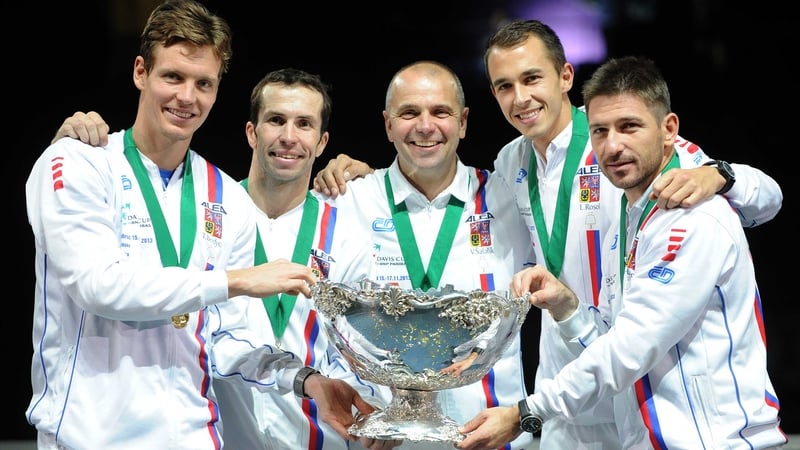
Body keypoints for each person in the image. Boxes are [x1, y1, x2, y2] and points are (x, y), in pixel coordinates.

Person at [314, 19, 783, 449]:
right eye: (504, 85)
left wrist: (724, 175)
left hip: (646, 381)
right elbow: (427, 196)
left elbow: (769, 199)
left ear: (564, 77)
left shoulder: (615, 139)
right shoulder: (510, 163)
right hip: (565, 386)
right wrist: (366, 178)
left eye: (532, 78)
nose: (521, 97)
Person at [25, 1, 375, 448]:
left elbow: (224, 340)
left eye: (203, 83)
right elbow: (99, 287)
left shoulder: (227, 196)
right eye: (173, 76)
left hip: (195, 436)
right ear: (140, 73)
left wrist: (306, 381)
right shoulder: (77, 162)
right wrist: (233, 281)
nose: (187, 97)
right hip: (90, 437)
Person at [456, 55, 787, 450]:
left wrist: (722, 173)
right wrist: (567, 307)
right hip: (619, 418)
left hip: (711, 440)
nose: (613, 145)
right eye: (601, 132)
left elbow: (632, 345)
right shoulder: (622, 212)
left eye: (628, 127)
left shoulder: (688, 210)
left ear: (669, 130)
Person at [317, 60, 537, 450]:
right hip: (385, 438)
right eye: (409, 113)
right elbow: (321, 320)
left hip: (492, 438)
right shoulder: (348, 201)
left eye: (440, 112)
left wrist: (685, 164)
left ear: (464, 121)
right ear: (387, 124)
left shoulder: (510, 198)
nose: (424, 126)